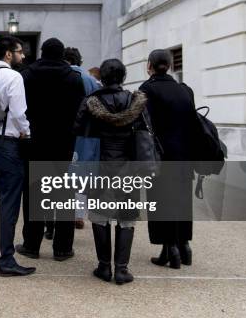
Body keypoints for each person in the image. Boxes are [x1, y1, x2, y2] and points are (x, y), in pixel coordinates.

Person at [74, 58, 148, 285]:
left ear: (102, 77)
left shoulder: (91, 103)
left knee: (99, 216)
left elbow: (77, 129)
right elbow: (145, 134)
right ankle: (122, 270)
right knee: (126, 218)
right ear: (123, 77)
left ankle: (104, 266)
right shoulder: (135, 102)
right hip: (128, 168)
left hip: (99, 166)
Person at [16, 38, 85, 261]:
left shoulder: (26, 75)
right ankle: (63, 248)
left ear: (42, 52)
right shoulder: (74, 78)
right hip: (63, 142)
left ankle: (32, 245)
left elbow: (21, 109)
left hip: (34, 141)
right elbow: (79, 111)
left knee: (34, 192)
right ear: (62, 55)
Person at [0, 36, 36, 277]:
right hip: (7, 143)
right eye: (20, 52)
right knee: (10, 201)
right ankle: (7, 259)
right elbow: (20, 113)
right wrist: (27, 133)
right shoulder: (14, 77)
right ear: (9, 54)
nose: (23, 56)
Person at [140, 49, 196, 269]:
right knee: (182, 201)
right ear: (171, 66)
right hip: (184, 155)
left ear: (149, 66)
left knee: (161, 201)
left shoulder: (147, 90)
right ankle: (184, 246)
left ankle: (169, 248)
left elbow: (144, 126)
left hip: (161, 155)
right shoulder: (185, 90)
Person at [65, 47, 102, 230]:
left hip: (65, 133)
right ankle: (79, 215)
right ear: (79, 61)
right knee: (82, 175)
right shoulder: (91, 81)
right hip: (87, 134)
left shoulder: (62, 76)